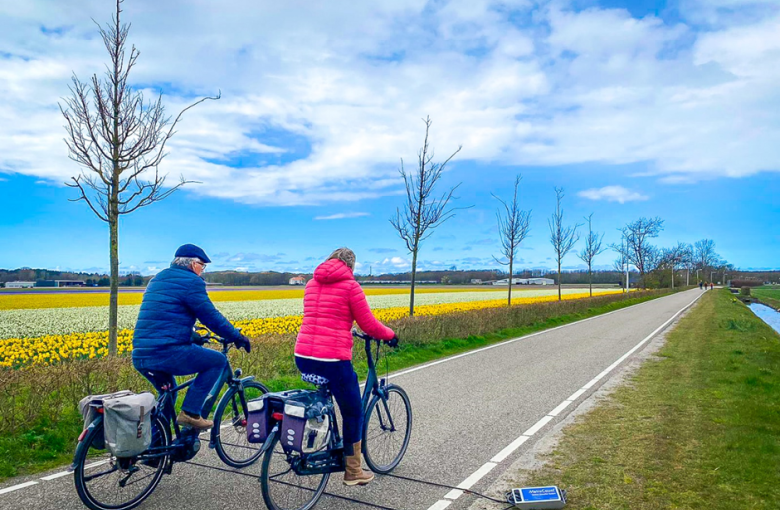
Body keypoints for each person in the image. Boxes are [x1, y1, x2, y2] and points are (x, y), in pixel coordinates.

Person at [294, 248, 397, 486]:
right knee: (352, 411)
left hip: (303, 355)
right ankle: (353, 471)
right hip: (331, 359)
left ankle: (322, 438)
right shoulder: (351, 287)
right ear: (351, 266)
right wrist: (390, 335)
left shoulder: (310, 284)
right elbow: (368, 324)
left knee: (328, 398)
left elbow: (321, 316)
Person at [132, 244, 251, 430]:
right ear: (193, 264)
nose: (202, 270)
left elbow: (163, 317)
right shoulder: (192, 282)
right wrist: (236, 336)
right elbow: (210, 316)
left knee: (168, 394)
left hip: (141, 354)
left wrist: (191, 335)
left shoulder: (157, 279)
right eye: (202, 266)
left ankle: (156, 448)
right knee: (217, 361)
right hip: (167, 352)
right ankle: (190, 413)